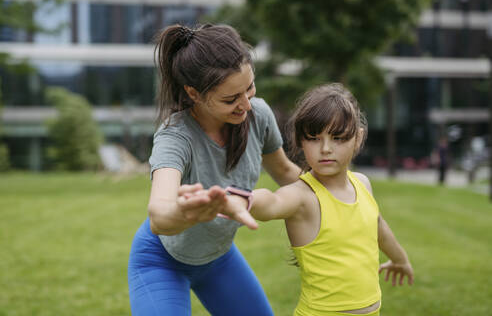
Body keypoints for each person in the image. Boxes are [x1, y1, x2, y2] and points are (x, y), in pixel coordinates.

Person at [127, 23, 300, 316]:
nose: (245, 104)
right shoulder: (175, 136)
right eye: (231, 99)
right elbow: (159, 213)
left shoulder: (259, 116)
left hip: (219, 259)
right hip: (161, 259)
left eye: (250, 88)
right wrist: (184, 214)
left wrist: (335, 188)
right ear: (194, 93)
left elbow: (284, 171)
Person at [199, 83, 414, 315]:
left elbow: (378, 226)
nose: (325, 149)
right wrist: (240, 200)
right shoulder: (303, 196)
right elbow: (272, 202)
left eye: (338, 138)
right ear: (301, 141)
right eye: (314, 138)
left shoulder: (362, 184)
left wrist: (400, 260)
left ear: (358, 138)